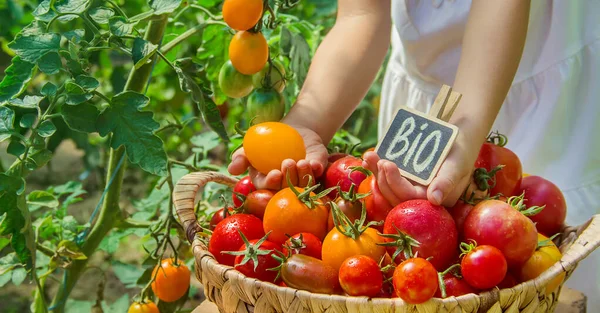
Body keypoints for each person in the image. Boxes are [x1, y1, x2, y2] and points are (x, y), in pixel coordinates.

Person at [228, 1, 599, 308]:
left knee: (547, 272)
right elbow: (361, 14)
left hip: (536, 80)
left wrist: (464, 141)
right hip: (425, 100)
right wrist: (306, 124)